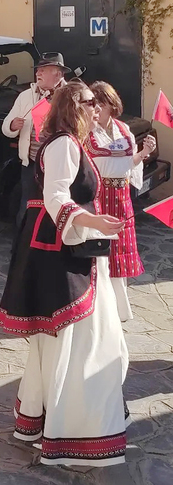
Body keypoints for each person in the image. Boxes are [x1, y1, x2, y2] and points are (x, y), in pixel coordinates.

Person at [0, 81, 128, 468]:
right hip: (61, 254)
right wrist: (92, 220)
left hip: (69, 246)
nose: (96, 109)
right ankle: (73, 428)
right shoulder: (64, 145)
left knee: (74, 341)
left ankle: (53, 419)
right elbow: (56, 196)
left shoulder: (69, 143)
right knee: (75, 341)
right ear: (75, 105)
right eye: (90, 103)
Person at [87, 81, 155, 322]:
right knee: (101, 249)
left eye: (103, 104)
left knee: (120, 250)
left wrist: (144, 153)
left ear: (111, 105)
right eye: (94, 104)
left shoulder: (123, 129)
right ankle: (98, 306)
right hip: (100, 195)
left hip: (121, 196)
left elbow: (128, 164)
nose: (98, 110)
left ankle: (120, 308)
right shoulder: (87, 131)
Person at [2, 52, 70, 228]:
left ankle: (52, 249)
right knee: (28, 207)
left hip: (59, 165)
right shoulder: (26, 96)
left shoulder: (69, 97)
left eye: (44, 70)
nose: (38, 73)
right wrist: (12, 126)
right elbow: (5, 126)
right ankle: (23, 247)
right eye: (38, 70)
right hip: (32, 164)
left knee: (57, 206)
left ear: (58, 73)